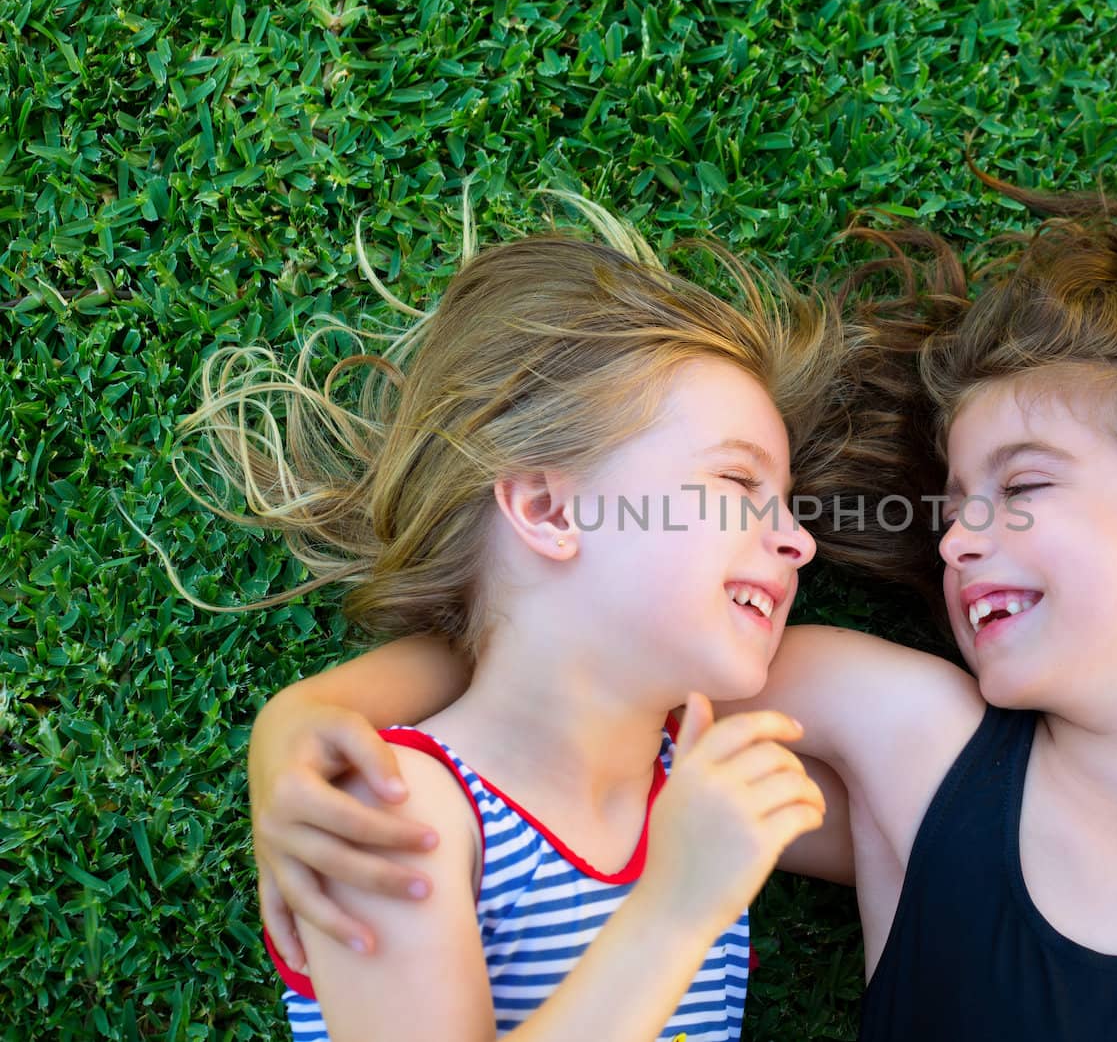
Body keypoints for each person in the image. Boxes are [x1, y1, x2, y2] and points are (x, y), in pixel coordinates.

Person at [244, 106, 1117, 1040]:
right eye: (953, 502)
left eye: (1019, 491)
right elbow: (562, 648)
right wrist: (308, 722)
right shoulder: (907, 745)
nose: (953, 537)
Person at [173, 194, 851, 1041]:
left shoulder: (697, 785)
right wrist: (677, 907)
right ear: (549, 509)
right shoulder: (394, 813)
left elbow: (948, 834)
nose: (798, 543)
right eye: (738, 486)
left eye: (786, 505)